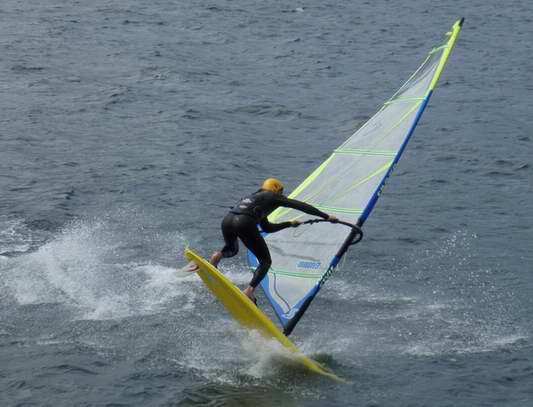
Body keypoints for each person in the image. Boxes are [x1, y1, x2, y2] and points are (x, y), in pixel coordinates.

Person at [192, 178, 337, 304]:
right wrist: (326, 216)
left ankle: (216, 257)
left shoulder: (253, 198)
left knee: (231, 249)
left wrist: (289, 223)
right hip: (244, 221)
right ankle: (249, 291)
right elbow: (301, 206)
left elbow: (267, 227)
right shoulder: (273, 196)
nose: (281, 196)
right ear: (276, 190)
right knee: (265, 261)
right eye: (280, 192)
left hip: (227, 219)